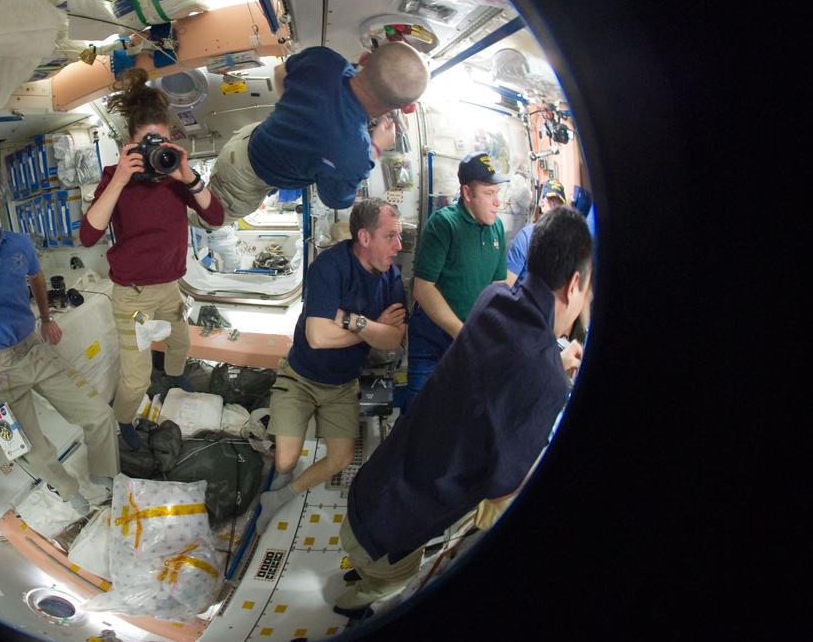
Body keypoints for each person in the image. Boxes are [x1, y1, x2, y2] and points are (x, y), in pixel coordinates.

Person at [333, 206, 593, 616]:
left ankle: (360, 575)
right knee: (390, 581)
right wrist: (552, 375)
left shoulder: (493, 300)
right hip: (395, 527)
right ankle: (351, 604)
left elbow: (498, 362)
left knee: (366, 557)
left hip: (372, 486)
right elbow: (500, 499)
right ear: (575, 283)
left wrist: (551, 363)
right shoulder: (545, 383)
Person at [0, 177, 119, 516]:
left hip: (35, 349)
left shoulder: (19, 244)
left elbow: (36, 277)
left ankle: (105, 475)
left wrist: (47, 317)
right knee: (26, 448)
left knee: (100, 414)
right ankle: (66, 489)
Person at [79, 68, 225, 450]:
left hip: (170, 290)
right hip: (135, 300)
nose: (152, 151)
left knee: (180, 345)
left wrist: (187, 175)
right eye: (145, 144)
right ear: (129, 143)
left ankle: (175, 378)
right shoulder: (116, 178)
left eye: (159, 142)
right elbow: (88, 234)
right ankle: (123, 420)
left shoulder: (174, 176)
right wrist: (120, 180)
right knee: (136, 379)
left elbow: (216, 217)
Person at [255, 199, 408, 534]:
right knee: (285, 461)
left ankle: (277, 500)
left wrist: (352, 320)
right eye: (391, 237)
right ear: (365, 238)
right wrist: (372, 328)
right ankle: (282, 474)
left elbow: (393, 339)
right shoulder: (329, 266)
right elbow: (318, 337)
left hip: (343, 385)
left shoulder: (392, 278)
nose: (399, 247)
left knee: (340, 459)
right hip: (301, 378)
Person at [188, 40, 429, 229]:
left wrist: (296, 116)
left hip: (244, 141)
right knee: (207, 219)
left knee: (199, 193)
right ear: (395, 108)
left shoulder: (325, 61)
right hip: (245, 179)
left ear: (365, 58)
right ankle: (155, 208)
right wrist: (376, 147)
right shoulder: (355, 154)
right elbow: (335, 200)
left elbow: (280, 72)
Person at [404, 150, 510, 414]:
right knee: (419, 412)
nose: (497, 202)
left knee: (459, 412)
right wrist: (461, 332)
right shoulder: (443, 224)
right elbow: (423, 288)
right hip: (432, 337)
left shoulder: (496, 228)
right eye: (489, 193)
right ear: (467, 193)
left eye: (497, 193)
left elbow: (497, 285)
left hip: (469, 337)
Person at [506, 178, 567, 285]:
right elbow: (507, 286)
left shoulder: (564, 242)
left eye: (559, 205)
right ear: (543, 204)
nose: (556, 210)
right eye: (552, 203)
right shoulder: (525, 238)